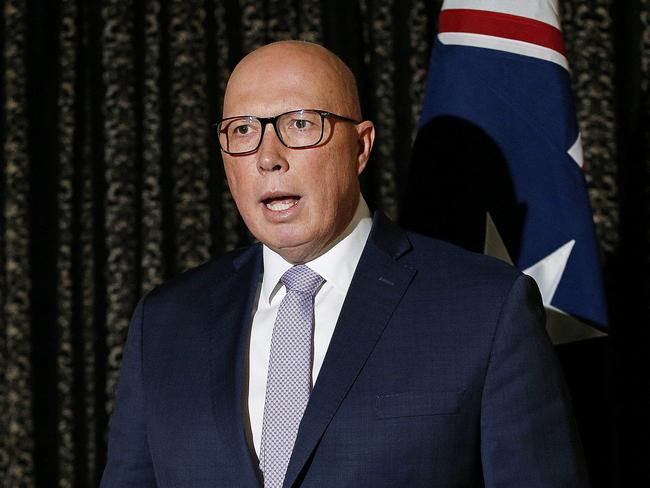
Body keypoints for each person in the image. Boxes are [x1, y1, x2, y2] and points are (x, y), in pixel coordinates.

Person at [100, 41, 589, 487]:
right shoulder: (164, 323)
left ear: (360, 146)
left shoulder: (485, 307)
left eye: (299, 124)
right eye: (243, 130)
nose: (267, 157)